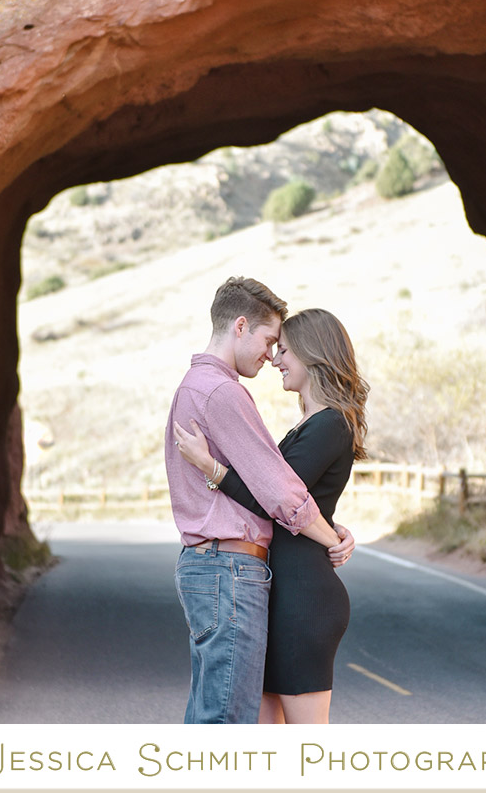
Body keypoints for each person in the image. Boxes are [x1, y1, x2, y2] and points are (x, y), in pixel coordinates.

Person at [164, 276, 354, 724]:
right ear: (241, 326)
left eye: (282, 348)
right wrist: (332, 538)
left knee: (222, 715)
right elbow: (281, 496)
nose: (272, 357)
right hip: (227, 567)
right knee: (225, 720)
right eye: (271, 342)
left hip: (236, 571)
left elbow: (286, 490)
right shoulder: (222, 391)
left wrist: (329, 529)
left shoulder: (201, 387)